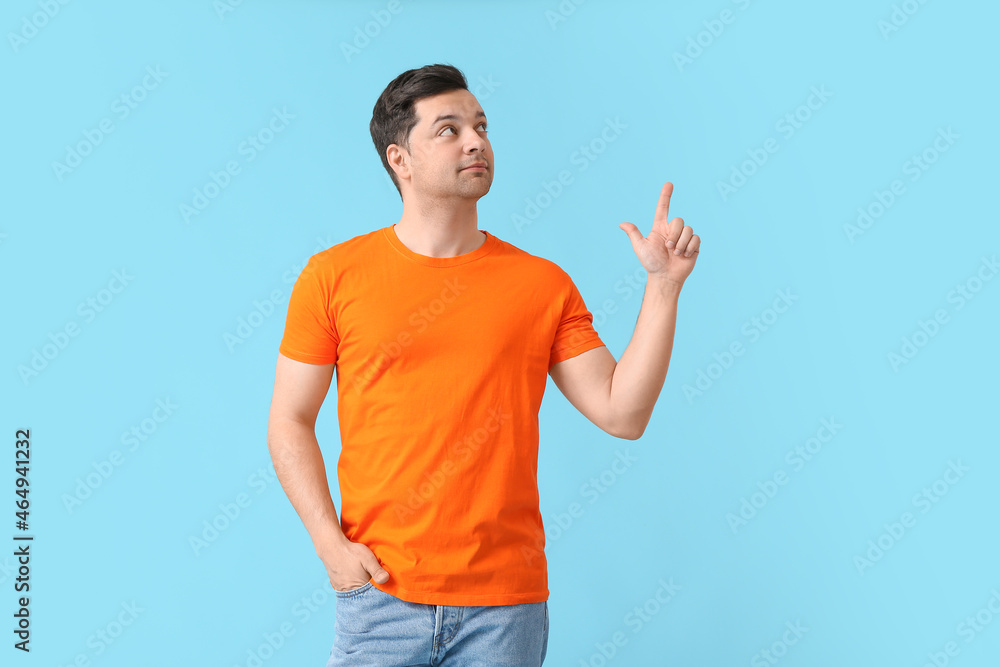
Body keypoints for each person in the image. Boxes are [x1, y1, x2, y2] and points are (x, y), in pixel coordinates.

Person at [266, 63, 700, 666]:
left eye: (481, 125)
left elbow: (622, 412)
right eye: (448, 129)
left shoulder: (541, 284)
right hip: (380, 594)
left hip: (505, 608)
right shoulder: (332, 277)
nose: (476, 141)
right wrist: (328, 545)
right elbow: (289, 418)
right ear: (400, 159)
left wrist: (662, 288)